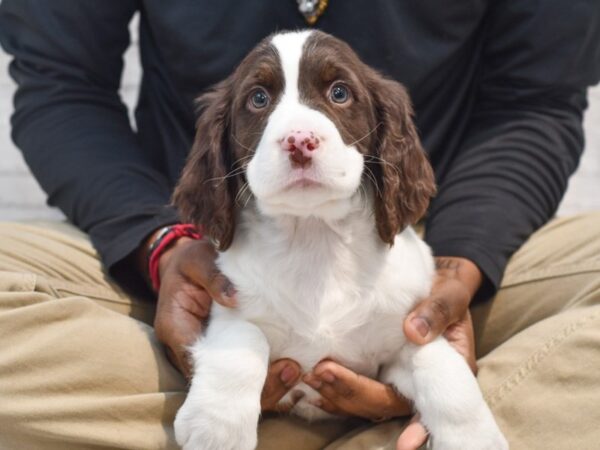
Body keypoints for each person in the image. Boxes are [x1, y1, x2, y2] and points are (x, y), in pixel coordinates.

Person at [0, 1, 599, 449]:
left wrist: (463, 267)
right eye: (260, 102)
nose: (299, 135)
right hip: (195, 263)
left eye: (337, 93)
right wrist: (158, 243)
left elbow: (537, 103)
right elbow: (61, 84)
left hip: (431, 249)